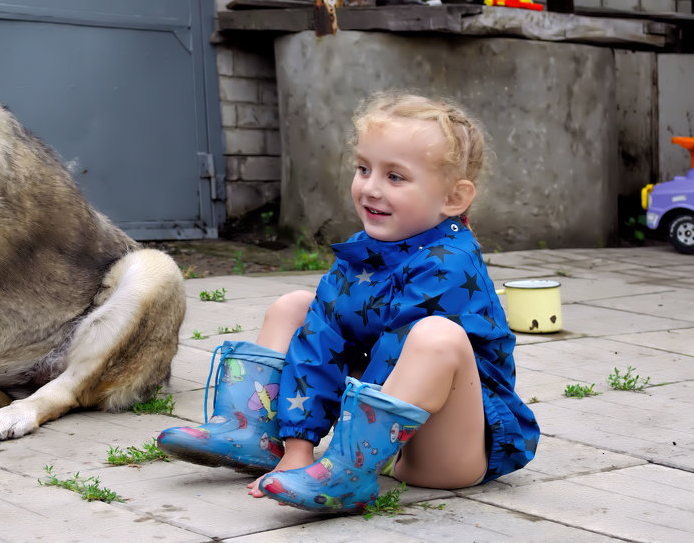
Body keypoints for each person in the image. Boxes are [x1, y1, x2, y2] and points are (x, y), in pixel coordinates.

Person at [157, 91, 538, 513]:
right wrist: (299, 446)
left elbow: (394, 357)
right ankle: (254, 433)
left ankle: (346, 472)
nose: (370, 188)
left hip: (444, 453)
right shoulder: (364, 251)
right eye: (363, 168)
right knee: (297, 307)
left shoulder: (451, 263)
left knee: (435, 336)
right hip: (379, 435)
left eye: (395, 177)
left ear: (453, 199)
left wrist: (340, 448)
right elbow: (320, 340)